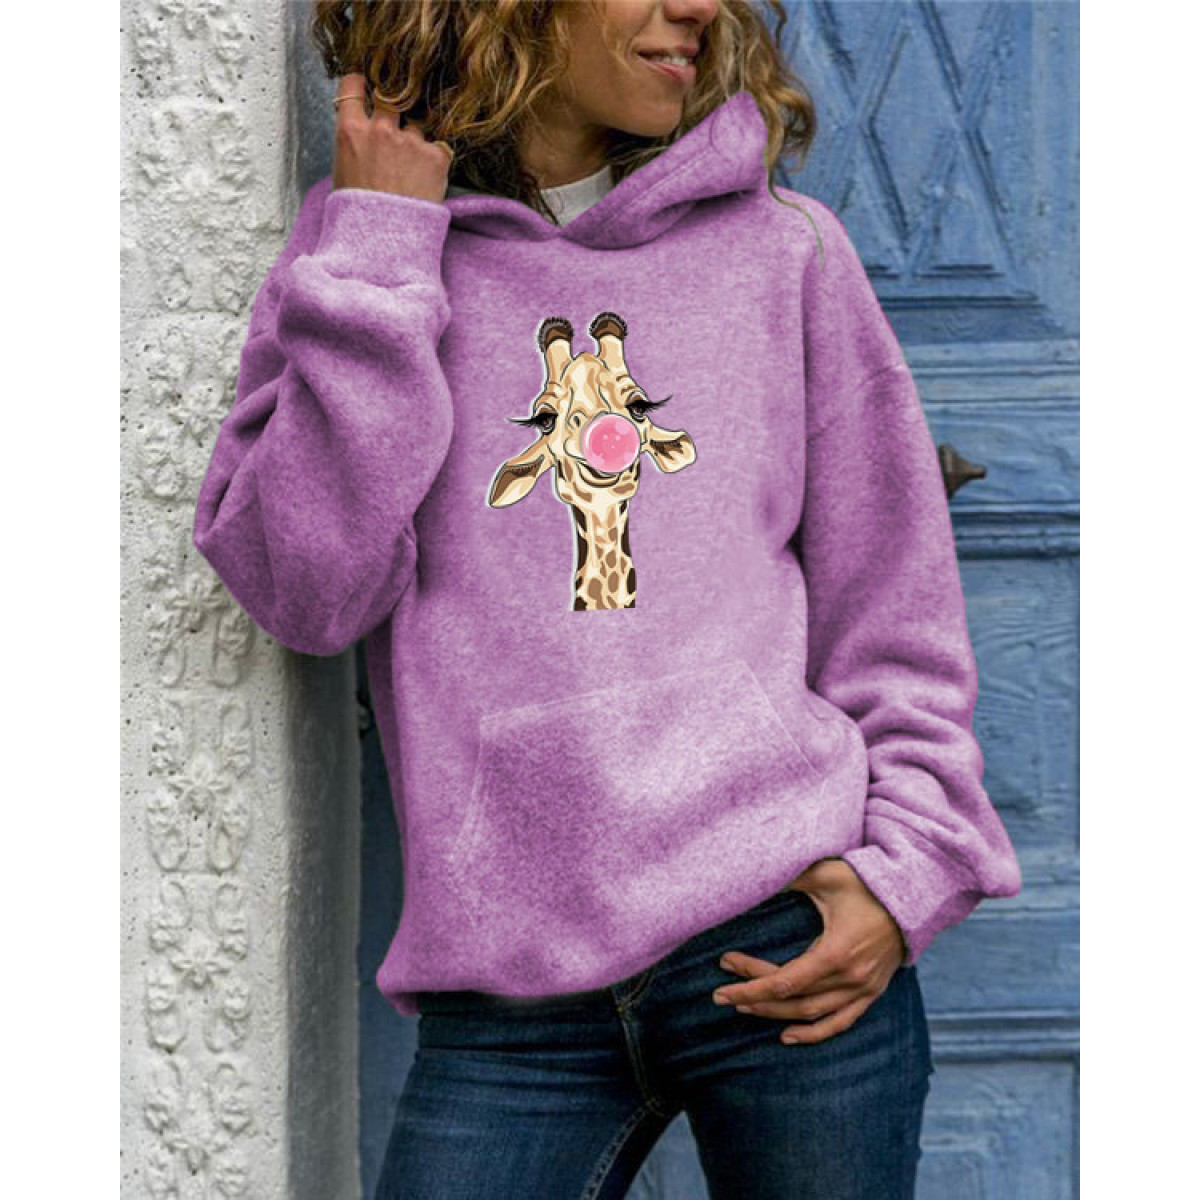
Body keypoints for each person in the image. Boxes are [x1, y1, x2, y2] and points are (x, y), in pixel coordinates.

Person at [193, 1, 1023, 1196]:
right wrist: (379, 249)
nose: (699, 10)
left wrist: (908, 872)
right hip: (510, 995)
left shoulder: (785, 251)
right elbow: (305, 590)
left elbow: (893, 603)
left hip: (783, 938)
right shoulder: (361, 251)